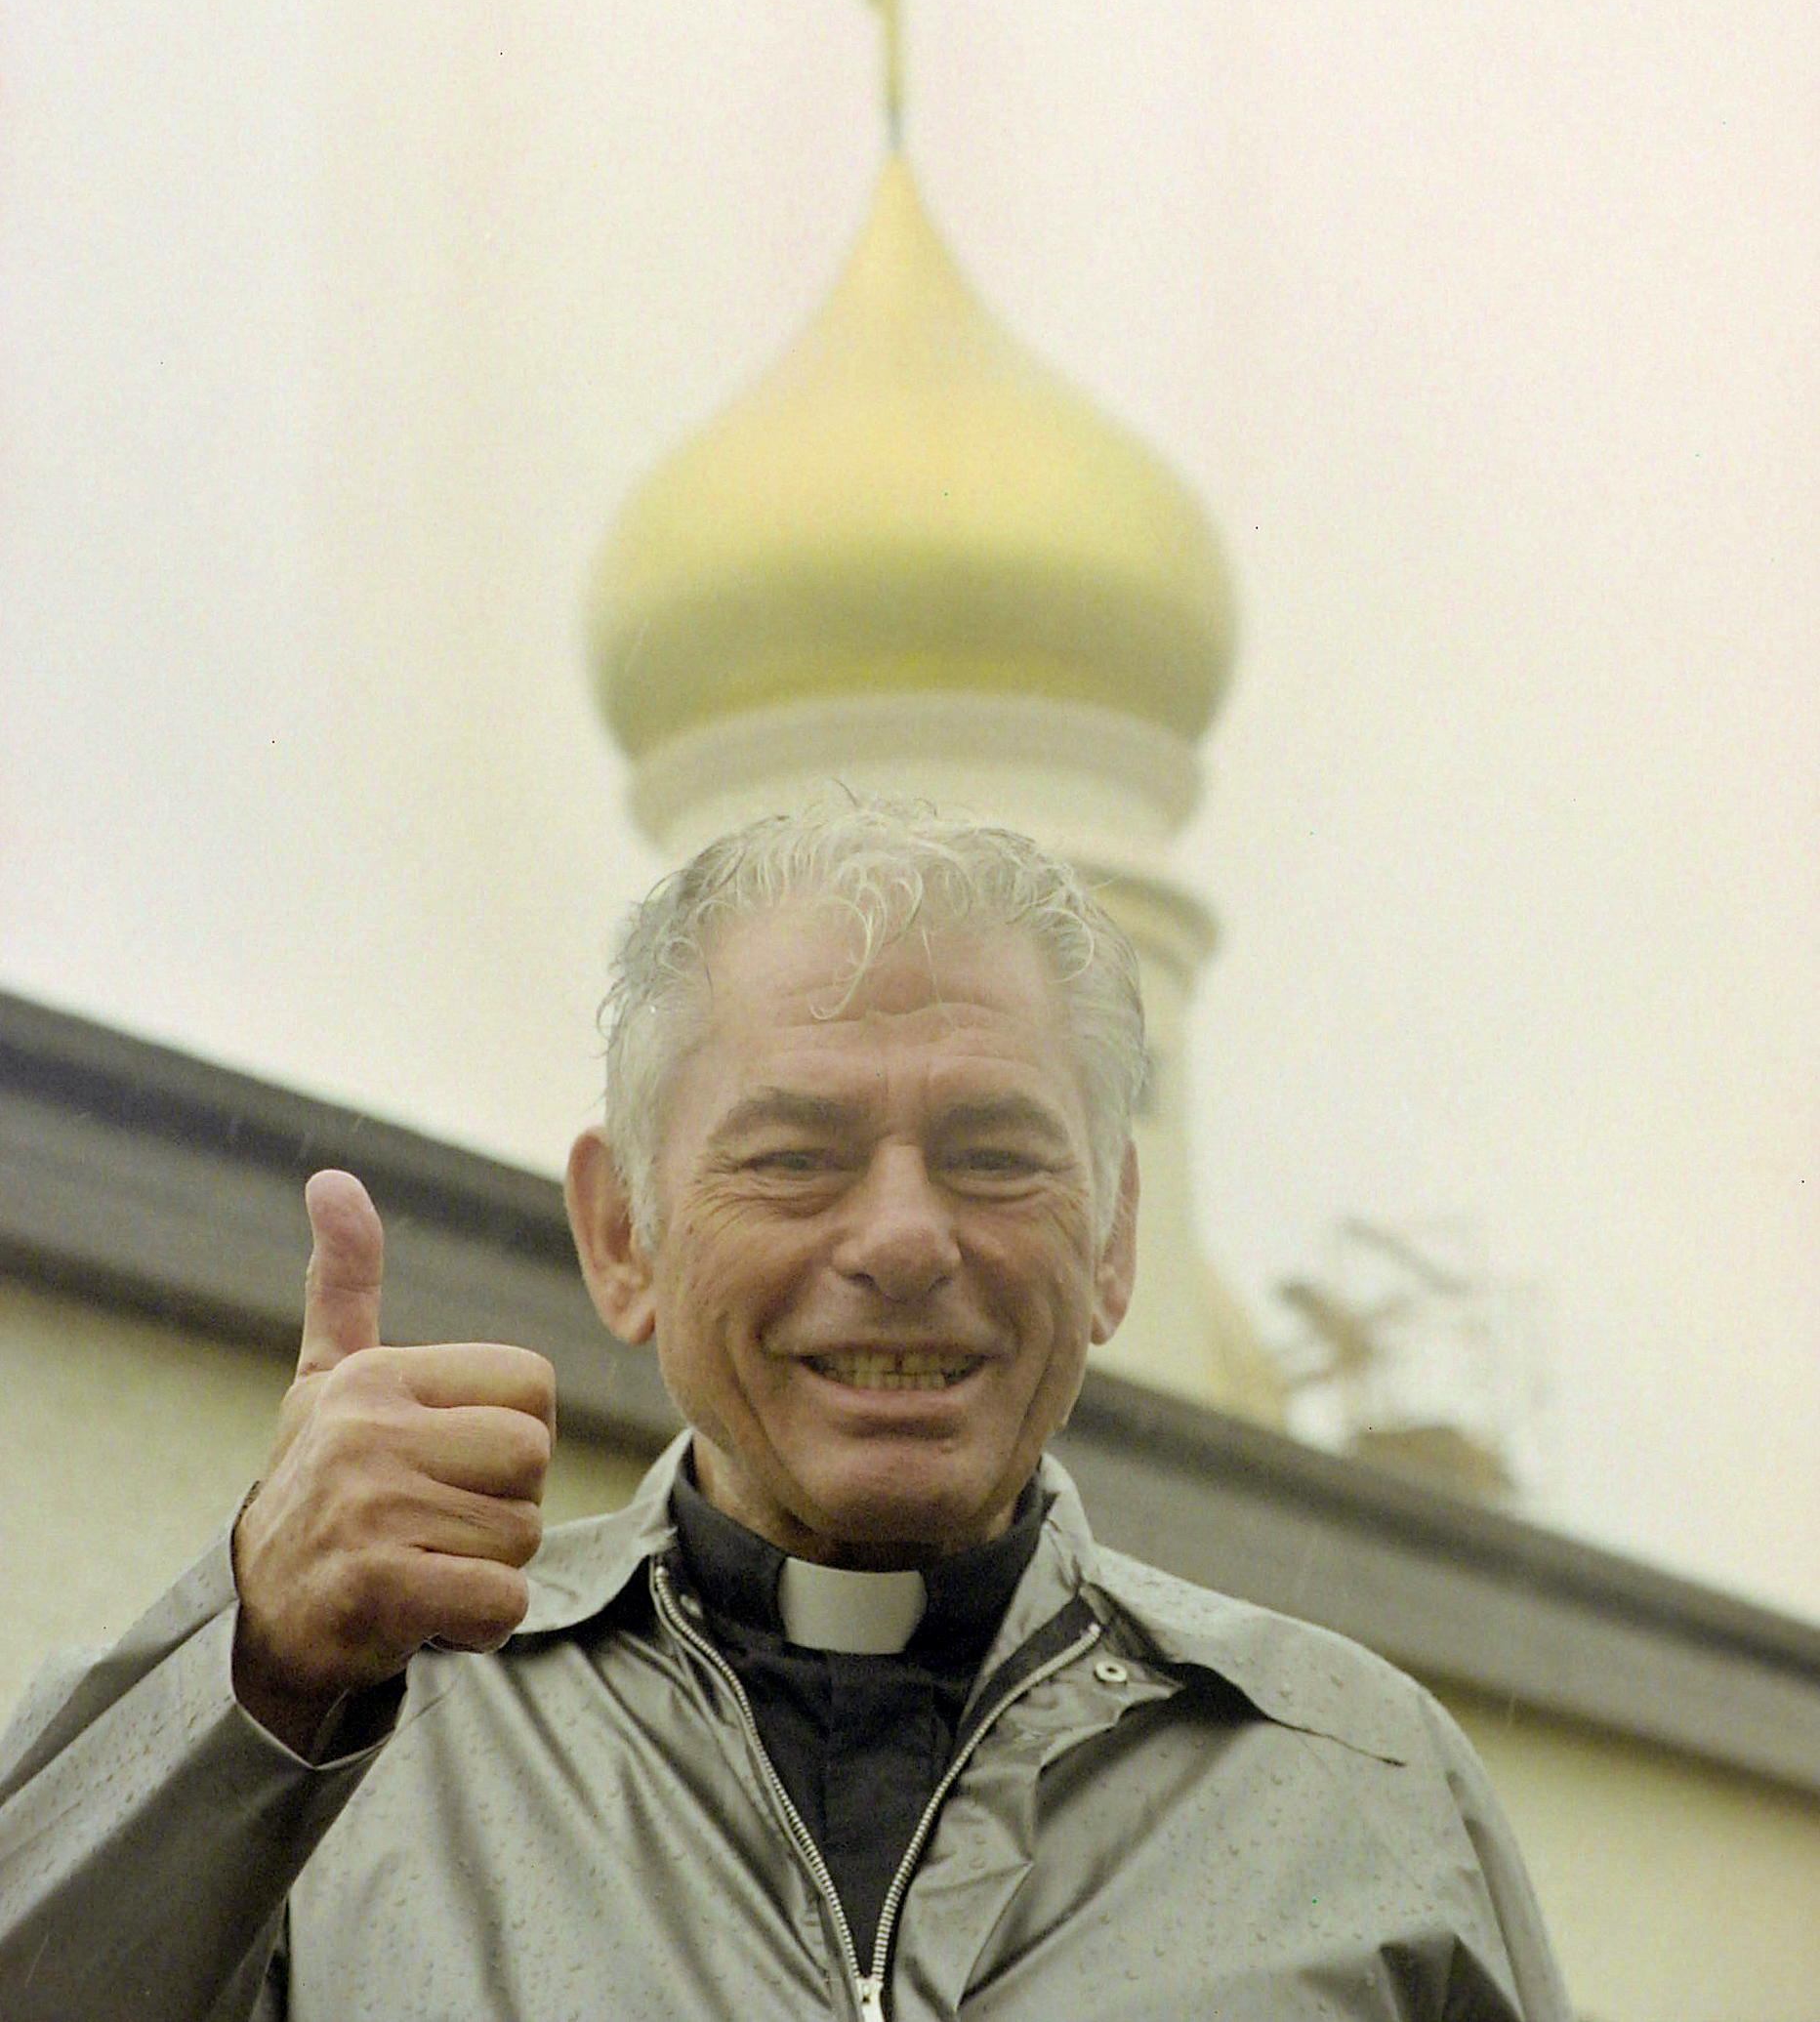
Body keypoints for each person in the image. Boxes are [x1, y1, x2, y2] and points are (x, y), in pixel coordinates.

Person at [0, 798, 1568, 2018]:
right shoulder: (354, 1740)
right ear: (622, 1233)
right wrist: (253, 1662)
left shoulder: (1360, 1786)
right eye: (795, 1155)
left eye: (995, 1153)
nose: (902, 1239)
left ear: (1113, 1239)